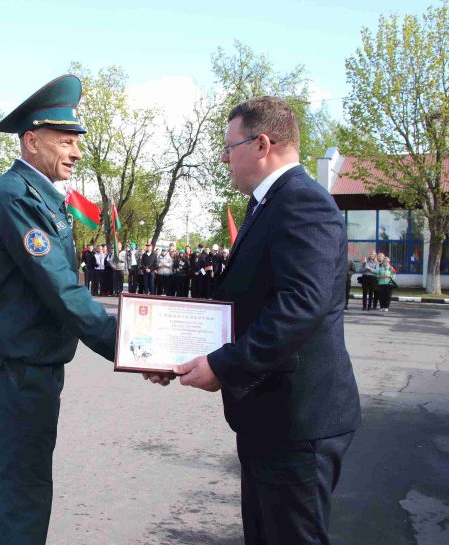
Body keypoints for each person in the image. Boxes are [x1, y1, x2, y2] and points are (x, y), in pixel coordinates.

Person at [146, 96, 360, 545]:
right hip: (271, 415)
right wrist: (177, 353)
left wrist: (224, 366)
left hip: (299, 420)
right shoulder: (270, 203)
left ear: (262, 144)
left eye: (230, 146)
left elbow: (302, 306)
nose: (224, 157)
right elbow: (247, 302)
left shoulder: (303, 202)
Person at [0, 75, 116, 545]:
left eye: (77, 142)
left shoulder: (37, 196)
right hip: (22, 369)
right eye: (65, 141)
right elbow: (63, 290)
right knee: (26, 486)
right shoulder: (17, 197)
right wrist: (133, 344)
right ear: (32, 141)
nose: (75, 152)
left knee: (15, 480)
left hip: (29, 364)